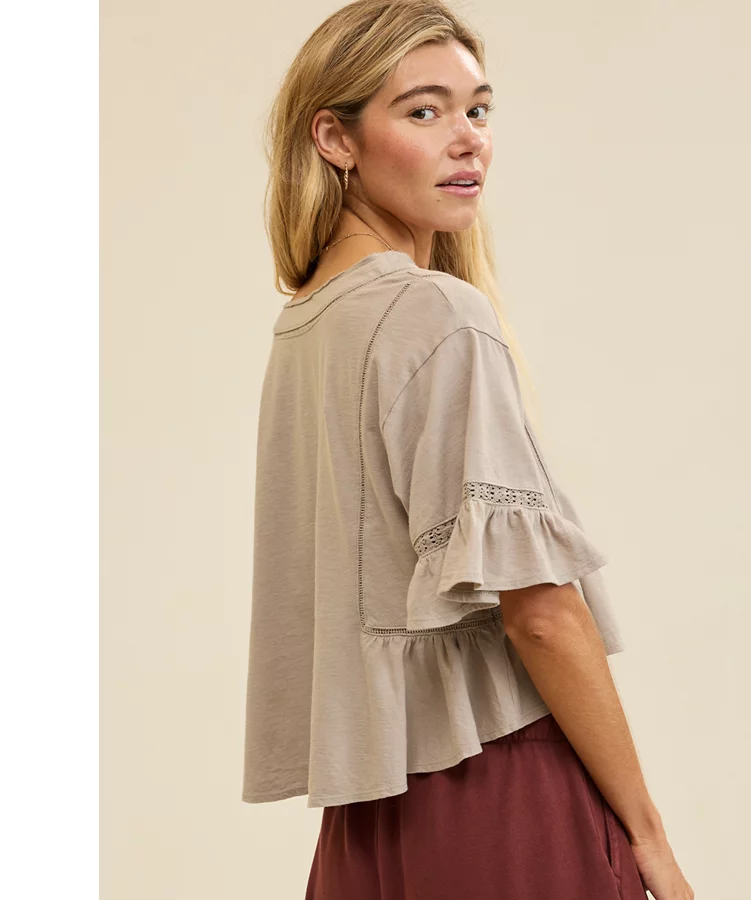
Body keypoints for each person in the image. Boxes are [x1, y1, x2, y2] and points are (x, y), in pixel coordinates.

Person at [242, 2, 694, 898]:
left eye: (478, 110)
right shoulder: (434, 312)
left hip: (370, 819)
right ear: (335, 138)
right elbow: (540, 613)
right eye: (424, 111)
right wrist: (650, 837)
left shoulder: (307, 326)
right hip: (501, 793)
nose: (467, 140)